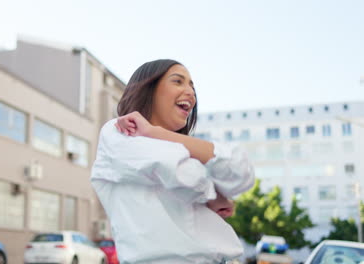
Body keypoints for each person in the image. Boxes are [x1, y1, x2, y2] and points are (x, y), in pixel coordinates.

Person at [91, 59, 255, 264]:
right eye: (178, 82)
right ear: (149, 89)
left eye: (192, 86)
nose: (190, 93)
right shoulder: (119, 131)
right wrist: (214, 192)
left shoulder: (176, 145)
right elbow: (186, 176)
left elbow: (241, 171)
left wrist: (156, 133)